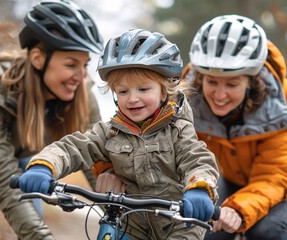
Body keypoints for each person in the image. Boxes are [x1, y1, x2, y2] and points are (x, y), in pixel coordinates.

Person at [17, 28, 219, 239]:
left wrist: (199, 189)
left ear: (163, 91)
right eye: (123, 91)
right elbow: (73, 147)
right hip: (132, 224)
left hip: (179, 222)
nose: (132, 99)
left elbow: (197, 160)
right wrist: (43, 166)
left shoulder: (178, 129)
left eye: (143, 89)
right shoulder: (110, 133)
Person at [181, 14, 287, 240]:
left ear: (251, 81)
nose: (219, 95)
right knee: (207, 230)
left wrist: (238, 208)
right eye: (212, 81)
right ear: (201, 78)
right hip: (232, 177)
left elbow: (272, 177)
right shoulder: (187, 103)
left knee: (267, 229)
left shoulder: (277, 109)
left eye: (232, 84)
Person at [0, 0, 104, 239]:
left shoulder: (82, 96)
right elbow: (3, 178)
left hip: (17, 159)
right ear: (37, 58)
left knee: (32, 220)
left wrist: (127, 219)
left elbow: (96, 164)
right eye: (70, 64)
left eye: (84, 65)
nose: (81, 76)